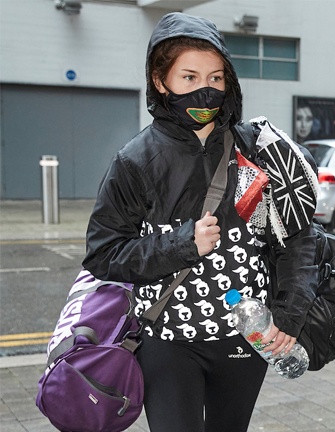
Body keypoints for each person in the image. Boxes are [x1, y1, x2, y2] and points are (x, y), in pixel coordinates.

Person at [82, 12, 318, 431]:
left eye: (216, 79)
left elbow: (296, 237)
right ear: (160, 80)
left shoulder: (257, 149)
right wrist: (182, 244)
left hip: (246, 337)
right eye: (189, 78)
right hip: (168, 340)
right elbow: (103, 254)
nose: (205, 91)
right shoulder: (135, 161)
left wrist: (288, 316)